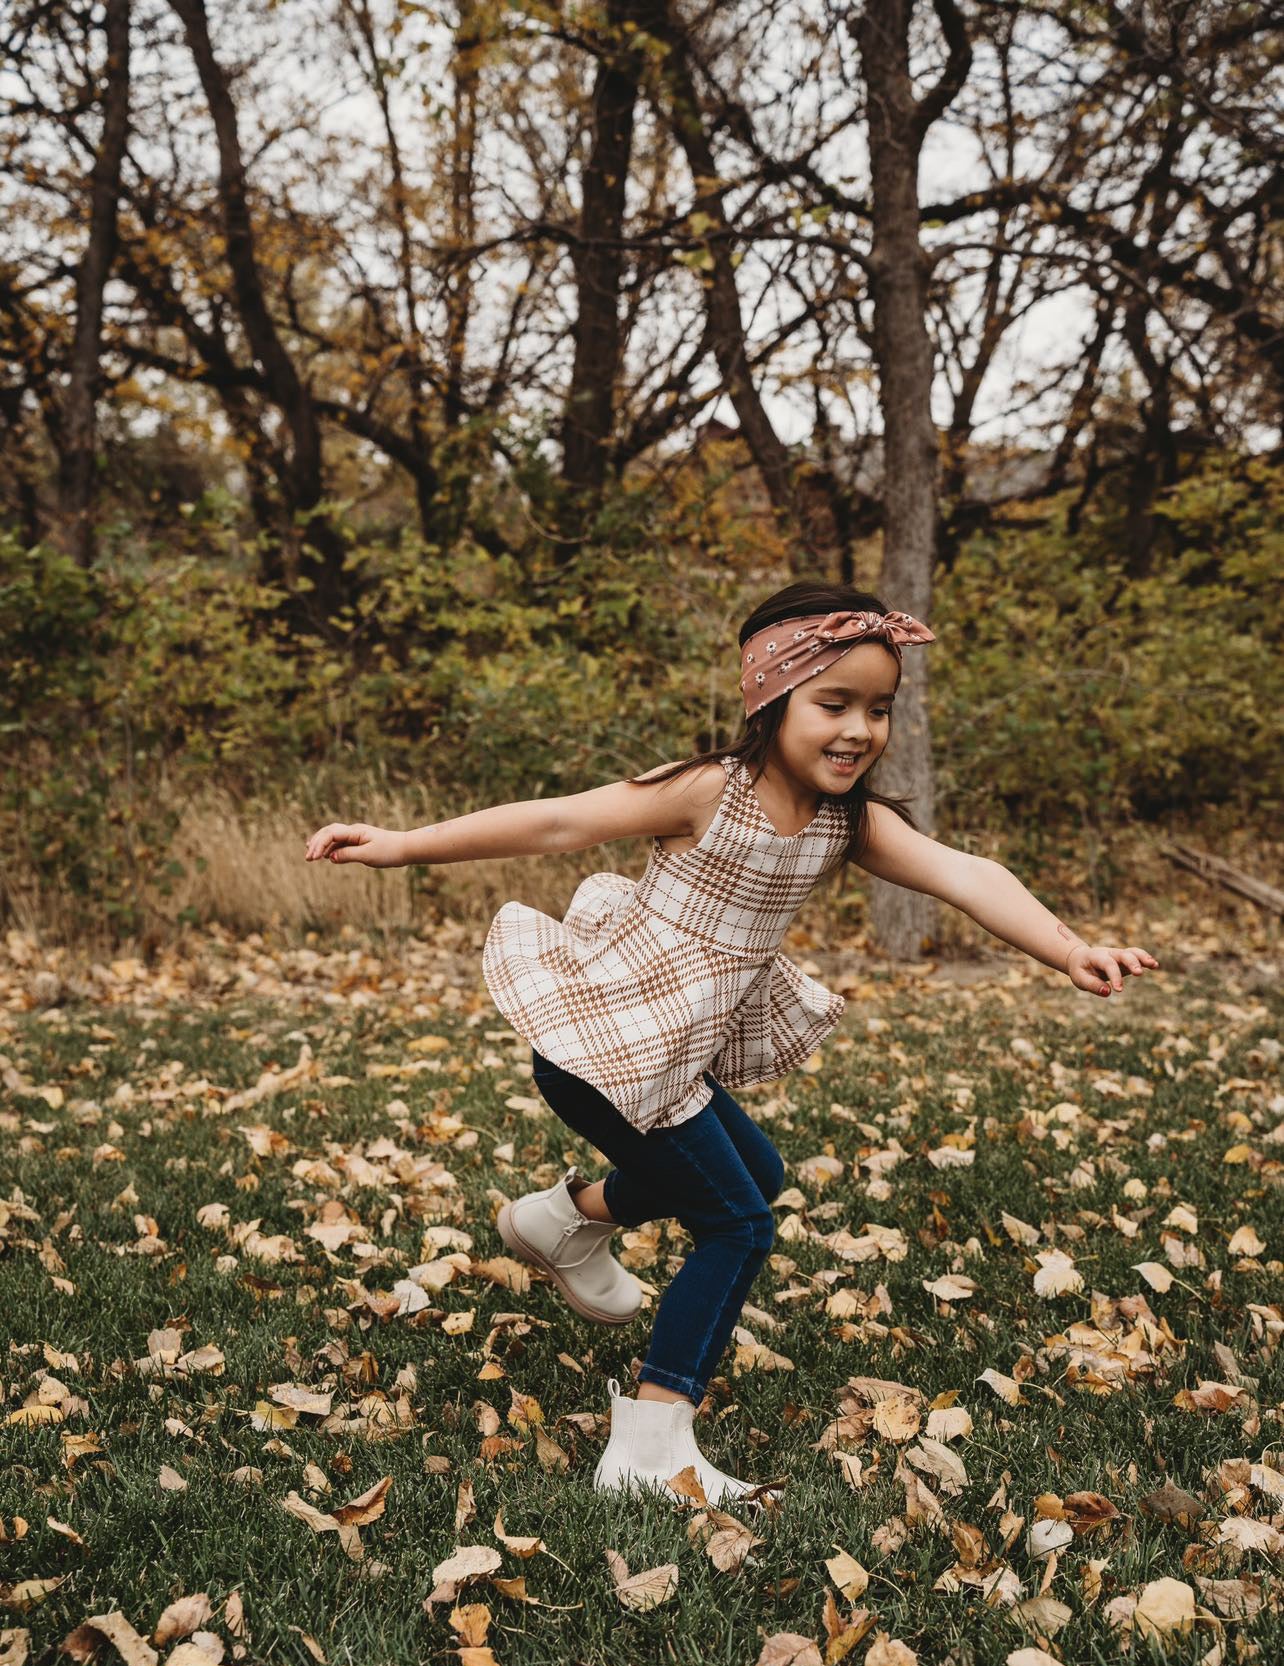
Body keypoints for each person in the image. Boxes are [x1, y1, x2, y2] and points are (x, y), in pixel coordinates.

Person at [304, 581, 1160, 1507]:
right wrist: (400, 845)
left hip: (668, 1054)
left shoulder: (850, 821)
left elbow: (966, 874)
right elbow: (558, 819)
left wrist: (1070, 948)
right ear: (770, 700)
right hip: (608, 1040)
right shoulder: (712, 792)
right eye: (833, 704)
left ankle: (561, 1219)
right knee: (740, 1224)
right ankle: (649, 1446)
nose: (857, 731)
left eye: (879, 709)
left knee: (758, 1171)